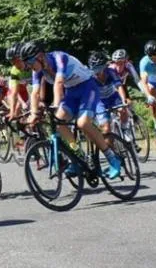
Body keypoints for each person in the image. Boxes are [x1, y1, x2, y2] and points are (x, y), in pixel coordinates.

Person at [21, 42, 121, 178]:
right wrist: (33, 113)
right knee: (59, 124)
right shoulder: (37, 71)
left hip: (88, 87)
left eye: (30, 62)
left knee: (83, 123)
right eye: (27, 63)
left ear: (40, 56)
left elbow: (59, 83)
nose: (29, 66)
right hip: (72, 92)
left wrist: (56, 105)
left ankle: (112, 158)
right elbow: (35, 93)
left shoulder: (58, 58)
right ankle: (78, 156)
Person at [88, 51, 130, 138]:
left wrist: (123, 100)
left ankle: (125, 129)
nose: (97, 72)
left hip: (113, 96)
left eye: (99, 69)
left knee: (123, 109)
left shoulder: (111, 72)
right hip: (100, 101)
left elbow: (119, 86)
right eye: (94, 69)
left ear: (104, 67)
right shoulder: (90, 77)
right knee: (106, 128)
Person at [5, 43, 32, 122]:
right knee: (17, 109)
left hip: (26, 89)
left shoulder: (32, 64)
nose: (16, 65)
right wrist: (12, 112)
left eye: (17, 60)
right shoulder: (14, 71)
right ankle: (20, 128)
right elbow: (14, 93)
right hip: (16, 92)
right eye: (12, 62)